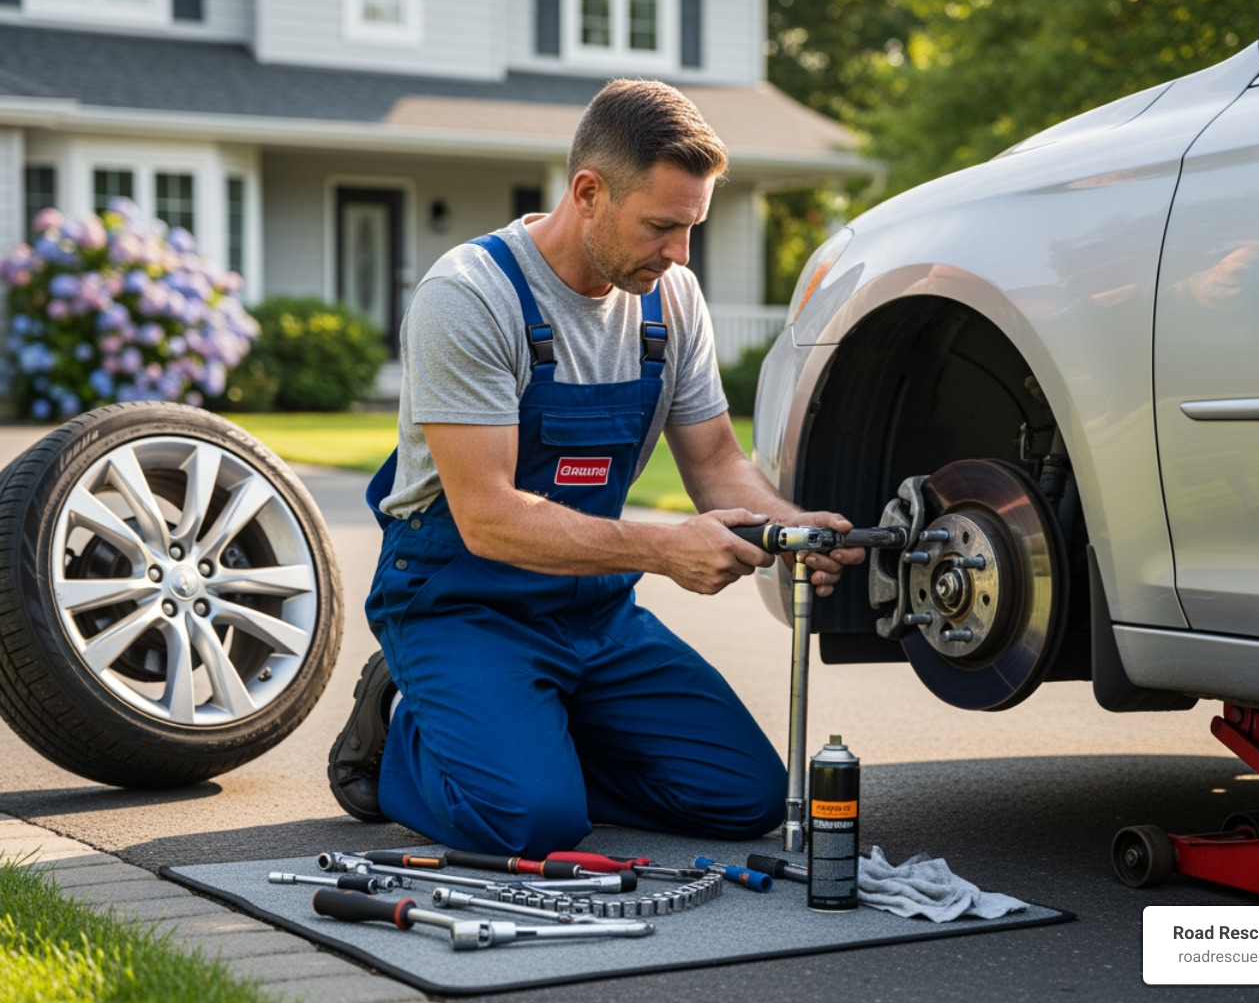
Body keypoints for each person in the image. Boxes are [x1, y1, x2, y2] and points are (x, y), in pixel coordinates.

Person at [327, 79, 864, 857]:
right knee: (530, 824)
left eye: (692, 228)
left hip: (592, 612)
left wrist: (792, 528)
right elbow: (486, 517)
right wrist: (663, 550)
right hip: (463, 604)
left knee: (744, 795)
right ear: (588, 193)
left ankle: (527, 743)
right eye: (661, 227)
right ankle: (402, 733)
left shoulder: (671, 301)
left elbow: (716, 461)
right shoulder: (470, 295)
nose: (680, 254)